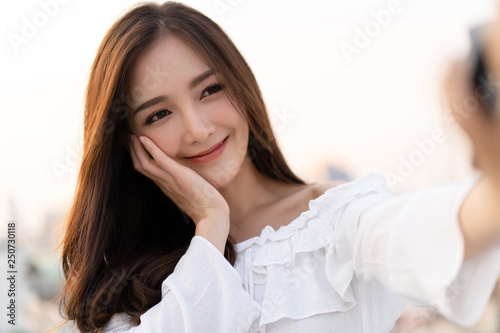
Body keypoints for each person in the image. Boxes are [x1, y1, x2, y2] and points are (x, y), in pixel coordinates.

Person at [59, 1, 500, 332]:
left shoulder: (335, 219)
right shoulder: (124, 286)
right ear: (130, 144)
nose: (197, 129)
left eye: (210, 90)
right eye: (159, 114)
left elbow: (431, 228)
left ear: (242, 84)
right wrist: (210, 227)